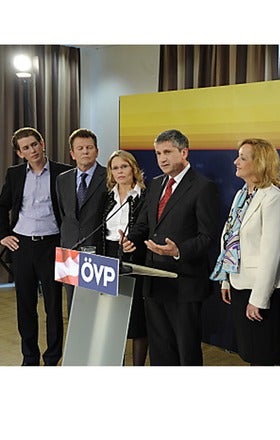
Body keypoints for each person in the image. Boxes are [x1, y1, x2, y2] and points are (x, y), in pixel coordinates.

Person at [122, 129, 220, 366]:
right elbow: (144, 224)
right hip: (154, 280)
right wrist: (130, 240)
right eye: (158, 153)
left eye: (167, 152)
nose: (162, 158)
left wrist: (178, 251)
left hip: (184, 282)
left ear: (184, 152)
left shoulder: (203, 187)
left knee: (186, 351)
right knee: (160, 349)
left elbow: (207, 236)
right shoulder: (156, 184)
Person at [211, 138, 280, 365]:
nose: (236, 162)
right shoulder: (241, 195)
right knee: (250, 354)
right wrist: (226, 280)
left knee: (262, 356)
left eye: (242, 158)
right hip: (239, 284)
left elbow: (271, 253)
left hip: (260, 290)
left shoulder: (273, 198)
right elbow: (229, 238)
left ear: (260, 163)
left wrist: (259, 299)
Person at [0, 127, 72, 366]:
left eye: (34, 144)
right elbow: (3, 205)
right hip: (22, 246)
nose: (32, 150)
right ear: (20, 153)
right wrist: (3, 235)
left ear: (42, 143)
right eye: (26, 148)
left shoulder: (64, 172)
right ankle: (29, 357)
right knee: (25, 305)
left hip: (53, 245)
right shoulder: (15, 174)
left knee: (54, 306)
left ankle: (52, 358)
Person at [102, 150, 148, 366]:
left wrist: (133, 243)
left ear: (133, 168)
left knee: (137, 317)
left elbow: (148, 227)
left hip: (134, 255)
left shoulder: (144, 196)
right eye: (115, 168)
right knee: (114, 317)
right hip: (109, 256)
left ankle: (138, 366)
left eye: (124, 166)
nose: (120, 171)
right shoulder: (107, 197)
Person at [56, 128, 107, 315]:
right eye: (80, 148)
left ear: (97, 151)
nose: (85, 151)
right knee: (73, 304)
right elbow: (64, 214)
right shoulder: (62, 179)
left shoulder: (110, 176)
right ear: (72, 153)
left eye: (89, 147)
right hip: (69, 250)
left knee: (96, 306)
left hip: (97, 250)